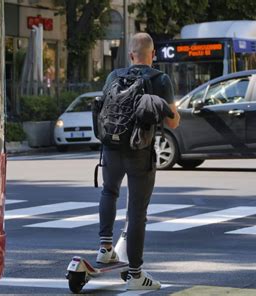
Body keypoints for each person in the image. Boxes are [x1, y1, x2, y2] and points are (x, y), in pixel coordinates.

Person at [96, 32, 180, 290]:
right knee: (136, 212)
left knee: (109, 192)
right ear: (152, 55)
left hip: (110, 147)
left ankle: (105, 248)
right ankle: (135, 274)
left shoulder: (114, 76)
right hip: (139, 151)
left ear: (131, 55)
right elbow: (173, 122)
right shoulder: (161, 79)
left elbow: (103, 108)